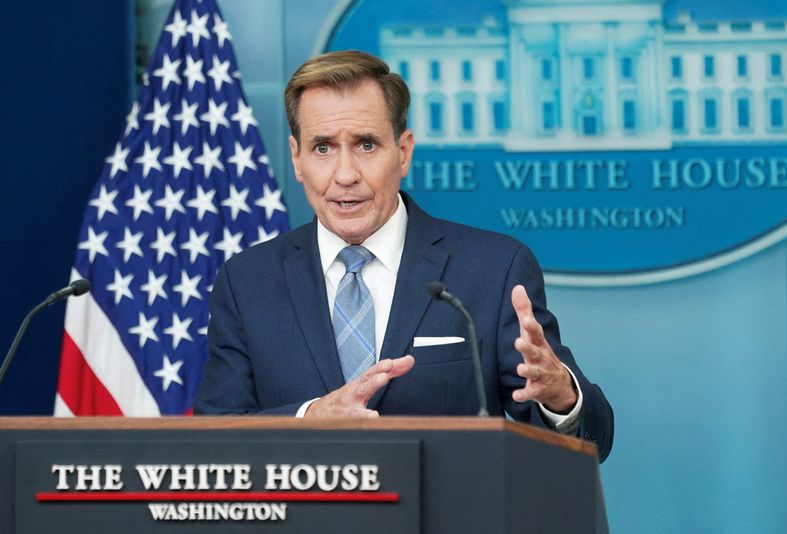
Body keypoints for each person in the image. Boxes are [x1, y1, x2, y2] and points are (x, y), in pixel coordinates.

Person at [194, 50, 613, 462]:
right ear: (296, 158)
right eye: (323, 147)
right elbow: (214, 436)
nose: (345, 174)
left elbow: (589, 443)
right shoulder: (246, 281)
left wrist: (560, 396)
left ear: (404, 151)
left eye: (366, 145)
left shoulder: (492, 270)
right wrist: (309, 417)